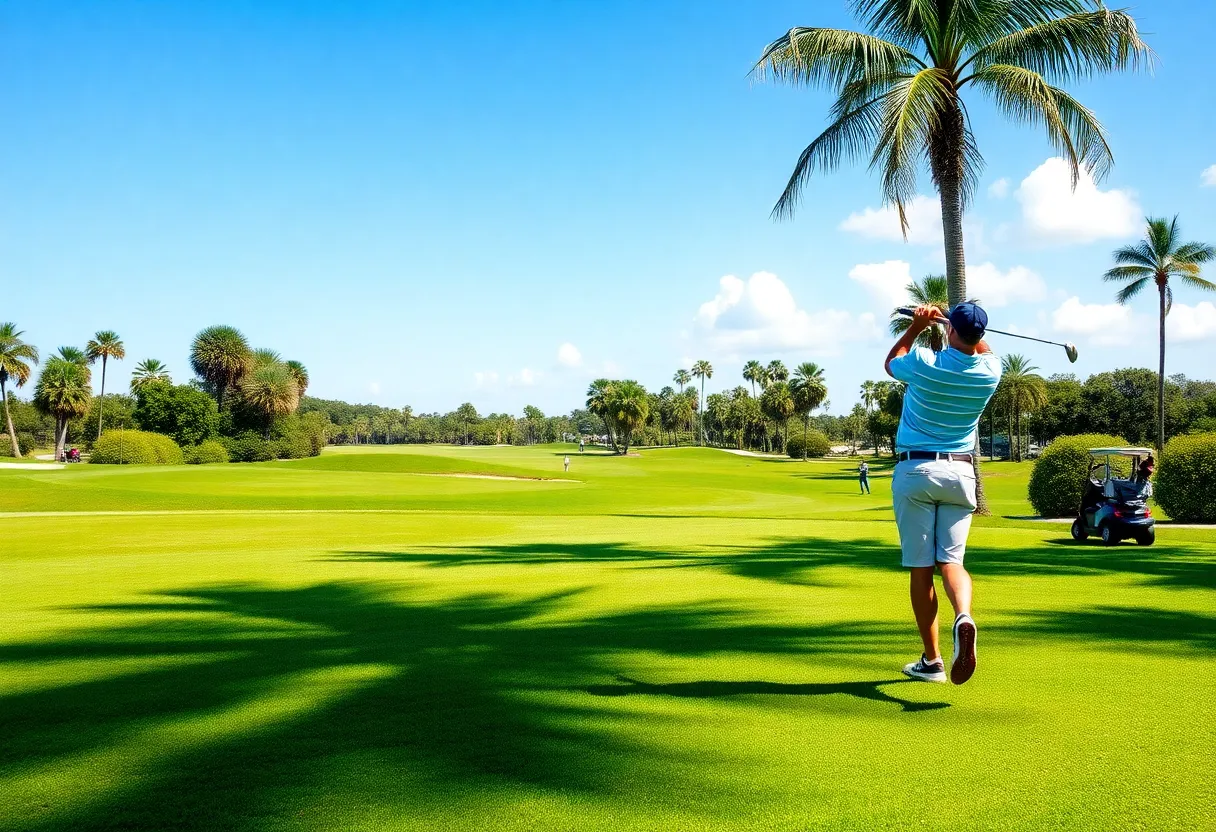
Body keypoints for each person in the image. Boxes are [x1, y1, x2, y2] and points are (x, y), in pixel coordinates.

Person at [885, 303, 1001, 685]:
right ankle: (963, 615)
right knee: (951, 562)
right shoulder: (990, 372)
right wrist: (959, 326)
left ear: (950, 330)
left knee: (922, 569)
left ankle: (932, 660)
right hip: (961, 474)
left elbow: (891, 361)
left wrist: (918, 325)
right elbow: (980, 349)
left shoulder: (923, 361)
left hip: (917, 470)